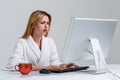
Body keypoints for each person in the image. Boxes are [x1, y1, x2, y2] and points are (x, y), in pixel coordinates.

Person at [5, 10, 77, 71]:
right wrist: (42, 68)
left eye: (48, 23)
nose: (46, 26)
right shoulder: (22, 42)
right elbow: (13, 63)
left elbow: (54, 62)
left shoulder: (49, 41)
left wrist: (64, 65)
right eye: (42, 23)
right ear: (33, 25)